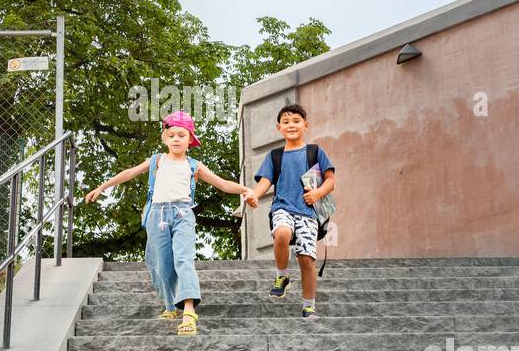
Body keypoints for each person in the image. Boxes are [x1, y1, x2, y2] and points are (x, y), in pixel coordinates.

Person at [85, 111, 253, 336]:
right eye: (171, 134)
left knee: (183, 258)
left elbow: (221, 183)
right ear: (164, 138)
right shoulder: (156, 160)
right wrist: (102, 187)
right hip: (157, 215)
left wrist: (244, 189)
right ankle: (170, 305)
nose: (176, 139)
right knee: (162, 265)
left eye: (181, 135)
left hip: (183, 215)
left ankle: (189, 310)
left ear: (190, 140)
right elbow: (129, 173)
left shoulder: (194, 165)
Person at [246, 103, 337, 319]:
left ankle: (309, 306)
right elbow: (265, 181)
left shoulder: (316, 151)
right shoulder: (275, 156)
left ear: (305, 125)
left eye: (296, 121)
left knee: (306, 259)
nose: (291, 125)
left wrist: (317, 194)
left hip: (308, 212)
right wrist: (254, 195)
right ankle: (282, 276)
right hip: (283, 207)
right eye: (286, 122)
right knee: (282, 234)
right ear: (279, 128)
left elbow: (331, 180)